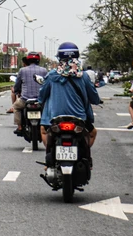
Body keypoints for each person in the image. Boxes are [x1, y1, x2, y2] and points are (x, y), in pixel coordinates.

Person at [38, 42, 102, 182]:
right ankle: (85, 157)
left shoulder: (52, 75)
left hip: (56, 119)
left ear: (59, 57)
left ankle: (49, 160)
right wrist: (96, 100)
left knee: (44, 130)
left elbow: (42, 96)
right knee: (92, 133)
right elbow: (94, 97)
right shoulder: (83, 76)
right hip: (79, 119)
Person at [11, 51, 47, 136]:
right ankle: (46, 126)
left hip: (25, 100)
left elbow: (17, 84)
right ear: (38, 60)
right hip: (40, 100)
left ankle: (19, 127)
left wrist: (15, 91)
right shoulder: (44, 70)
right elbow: (47, 84)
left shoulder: (22, 70)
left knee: (16, 107)